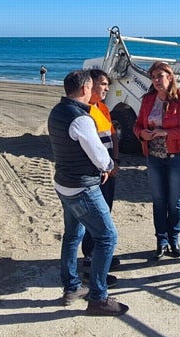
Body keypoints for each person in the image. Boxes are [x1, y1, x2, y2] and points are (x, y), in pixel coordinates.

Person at [47, 70, 128, 316]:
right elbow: (99, 155)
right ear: (84, 89)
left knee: (73, 234)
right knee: (107, 237)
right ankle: (98, 297)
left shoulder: (57, 111)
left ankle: (72, 287)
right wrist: (109, 167)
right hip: (82, 188)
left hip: (64, 184)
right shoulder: (81, 119)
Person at [134, 61, 180, 261]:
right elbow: (137, 126)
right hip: (154, 157)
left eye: (159, 76)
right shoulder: (147, 100)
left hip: (177, 156)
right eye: (153, 77)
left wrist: (165, 132)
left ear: (170, 77)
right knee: (159, 200)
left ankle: (174, 238)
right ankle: (161, 240)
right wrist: (141, 134)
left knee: (174, 201)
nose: (155, 80)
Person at [81, 68, 121, 273]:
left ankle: (101, 253)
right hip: (94, 171)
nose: (107, 88)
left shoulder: (103, 107)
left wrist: (114, 160)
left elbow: (112, 135)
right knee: (94, 214)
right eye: (103, 84)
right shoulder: (83, 109)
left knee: (106, 210)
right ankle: (90, 255)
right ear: (90, 85)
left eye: (107, 84)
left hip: (108, 168)